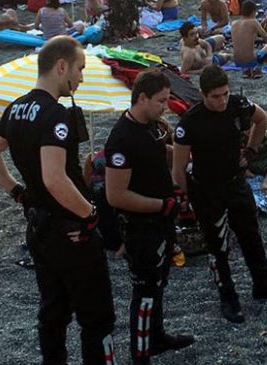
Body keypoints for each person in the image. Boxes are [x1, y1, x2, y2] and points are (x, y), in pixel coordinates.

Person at [0, 36, 116, 364]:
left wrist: (18, 193)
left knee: (53, 313)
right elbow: (55, 178)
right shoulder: (55, 114)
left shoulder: (16, 108)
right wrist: (90, 214)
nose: (81, 77)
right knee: (97, 319)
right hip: (71, 232)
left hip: (38, 229)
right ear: (61, 66)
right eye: (80, 69)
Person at [172, 65, 267, 324]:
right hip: (206, 188)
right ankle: (228, 297)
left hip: (236, 182)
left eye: (225, 93)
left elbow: (262, 119)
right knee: (218, 247)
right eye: (215, 96)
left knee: (251, 235)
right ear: (203, 94)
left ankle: (264, 284)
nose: (222, 100)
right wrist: (189, 198)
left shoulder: (238, 105)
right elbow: (178, 169)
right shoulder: (190, 121)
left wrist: (250, 151)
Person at [104, 69, 195, 364]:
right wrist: (160, 205)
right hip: (141, 226)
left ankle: (157, 337)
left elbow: (160, 151)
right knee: (144, 291)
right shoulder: (121, 139)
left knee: (159, 283)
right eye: (161, 101)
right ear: (141, 98)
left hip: (162, 220)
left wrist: (186, 156)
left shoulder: (152, 126)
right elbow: (115, 195)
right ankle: (141, 353)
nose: (165, 107)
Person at [230, 1, 267, 78]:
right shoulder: (253, 22)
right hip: (250, 61)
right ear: (253, 12)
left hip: (237, 61)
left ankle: (246, 70)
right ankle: (253, 69)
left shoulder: (234, 23)